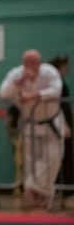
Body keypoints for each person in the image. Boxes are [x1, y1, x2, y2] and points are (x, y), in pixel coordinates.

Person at [0, 50, 67, 210]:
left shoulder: (49, 71)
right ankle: (38, 198)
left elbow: (56, 91)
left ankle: (34, 188)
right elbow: (3, 93)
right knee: (31, 163)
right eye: (27, 61)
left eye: (33, 61)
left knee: (54, 157)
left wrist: (34, 95)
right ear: (23, 62)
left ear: (39, 62)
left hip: (51, 122)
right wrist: (18, 82)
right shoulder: (16, 74)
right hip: (30, 124)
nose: (30, 65)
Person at [48, 54, 72, 193]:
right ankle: (62, 188)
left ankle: (64, 187)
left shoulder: (59, 81)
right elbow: (58, 106)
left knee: (65, 155)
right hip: (60, 123)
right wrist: (65, 125)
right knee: (61, 155)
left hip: (64, 121)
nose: (69, 68)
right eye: (66, 65)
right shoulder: (57, 83)